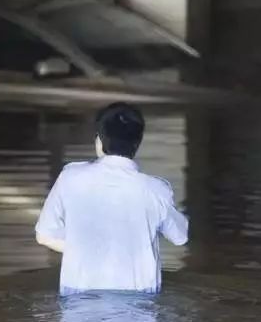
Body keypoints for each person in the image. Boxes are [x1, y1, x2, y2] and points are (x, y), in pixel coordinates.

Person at [35, 102, 189, 296]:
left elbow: (44, 236)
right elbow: (180, 237)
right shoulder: (156, 189)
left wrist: (87, 250)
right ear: (138, 142)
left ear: (99, 140)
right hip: (139, 300)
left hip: (79, 298)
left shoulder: (70, 178)